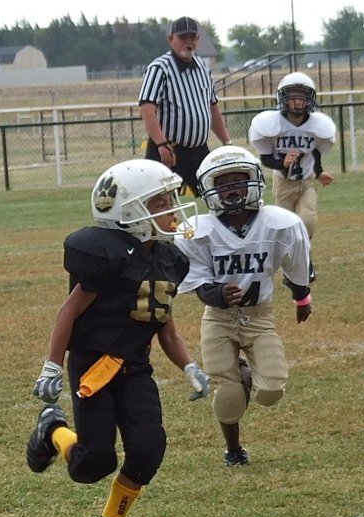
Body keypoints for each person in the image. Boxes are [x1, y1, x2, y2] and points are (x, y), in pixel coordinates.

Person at [25, 159, 210, 517]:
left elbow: (163, 325)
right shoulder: (107, 255)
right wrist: (52, 365)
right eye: (160, 203)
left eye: (170, 200)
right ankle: (53, 429)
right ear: (129, 211)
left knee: (148, 449)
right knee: (92, 463)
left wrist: (189, 365)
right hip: (94, 364)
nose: (172, 210)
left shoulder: (169, 258)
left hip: (136, 366)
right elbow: (68, 312)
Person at [174, 145, 312, 467]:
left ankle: (245, 372)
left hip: (259, 316)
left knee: (271, 391)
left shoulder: (280, 223)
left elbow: (296, 266)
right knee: (229, 394)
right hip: (218, 318)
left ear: (254, 180)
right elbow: (198, 283)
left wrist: (301, 298)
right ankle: (233, 450)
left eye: (238, 180)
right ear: (209, 188)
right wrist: (217, 294)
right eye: (222, 183)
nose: (231, 189)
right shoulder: (197, 230)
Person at [249, 71, 336, 280]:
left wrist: (319, 172)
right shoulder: (272, 124)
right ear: (283, 99)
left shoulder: (316, 125)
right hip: (283, 183)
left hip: (306, 182)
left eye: (302, 97)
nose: (297, 103)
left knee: (307, 220)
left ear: (309, 100)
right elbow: (266, 158)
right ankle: (290, 267)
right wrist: (282, 163)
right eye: (293, 97)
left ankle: (305, 261)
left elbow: (315, 151)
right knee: (285, 227)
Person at [138, 16, 232, 196]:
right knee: (160, 201)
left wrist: (227, 142)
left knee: (218, 196)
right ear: (171, 39)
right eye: (183, 37)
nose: (188, 42)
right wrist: (161, 143)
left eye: (192, 37)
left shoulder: (203, 69)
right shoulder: (159, 68)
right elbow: (147, 109)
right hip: (169, 150)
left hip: (199, 151)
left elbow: (212, 108)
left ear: (198, 39)